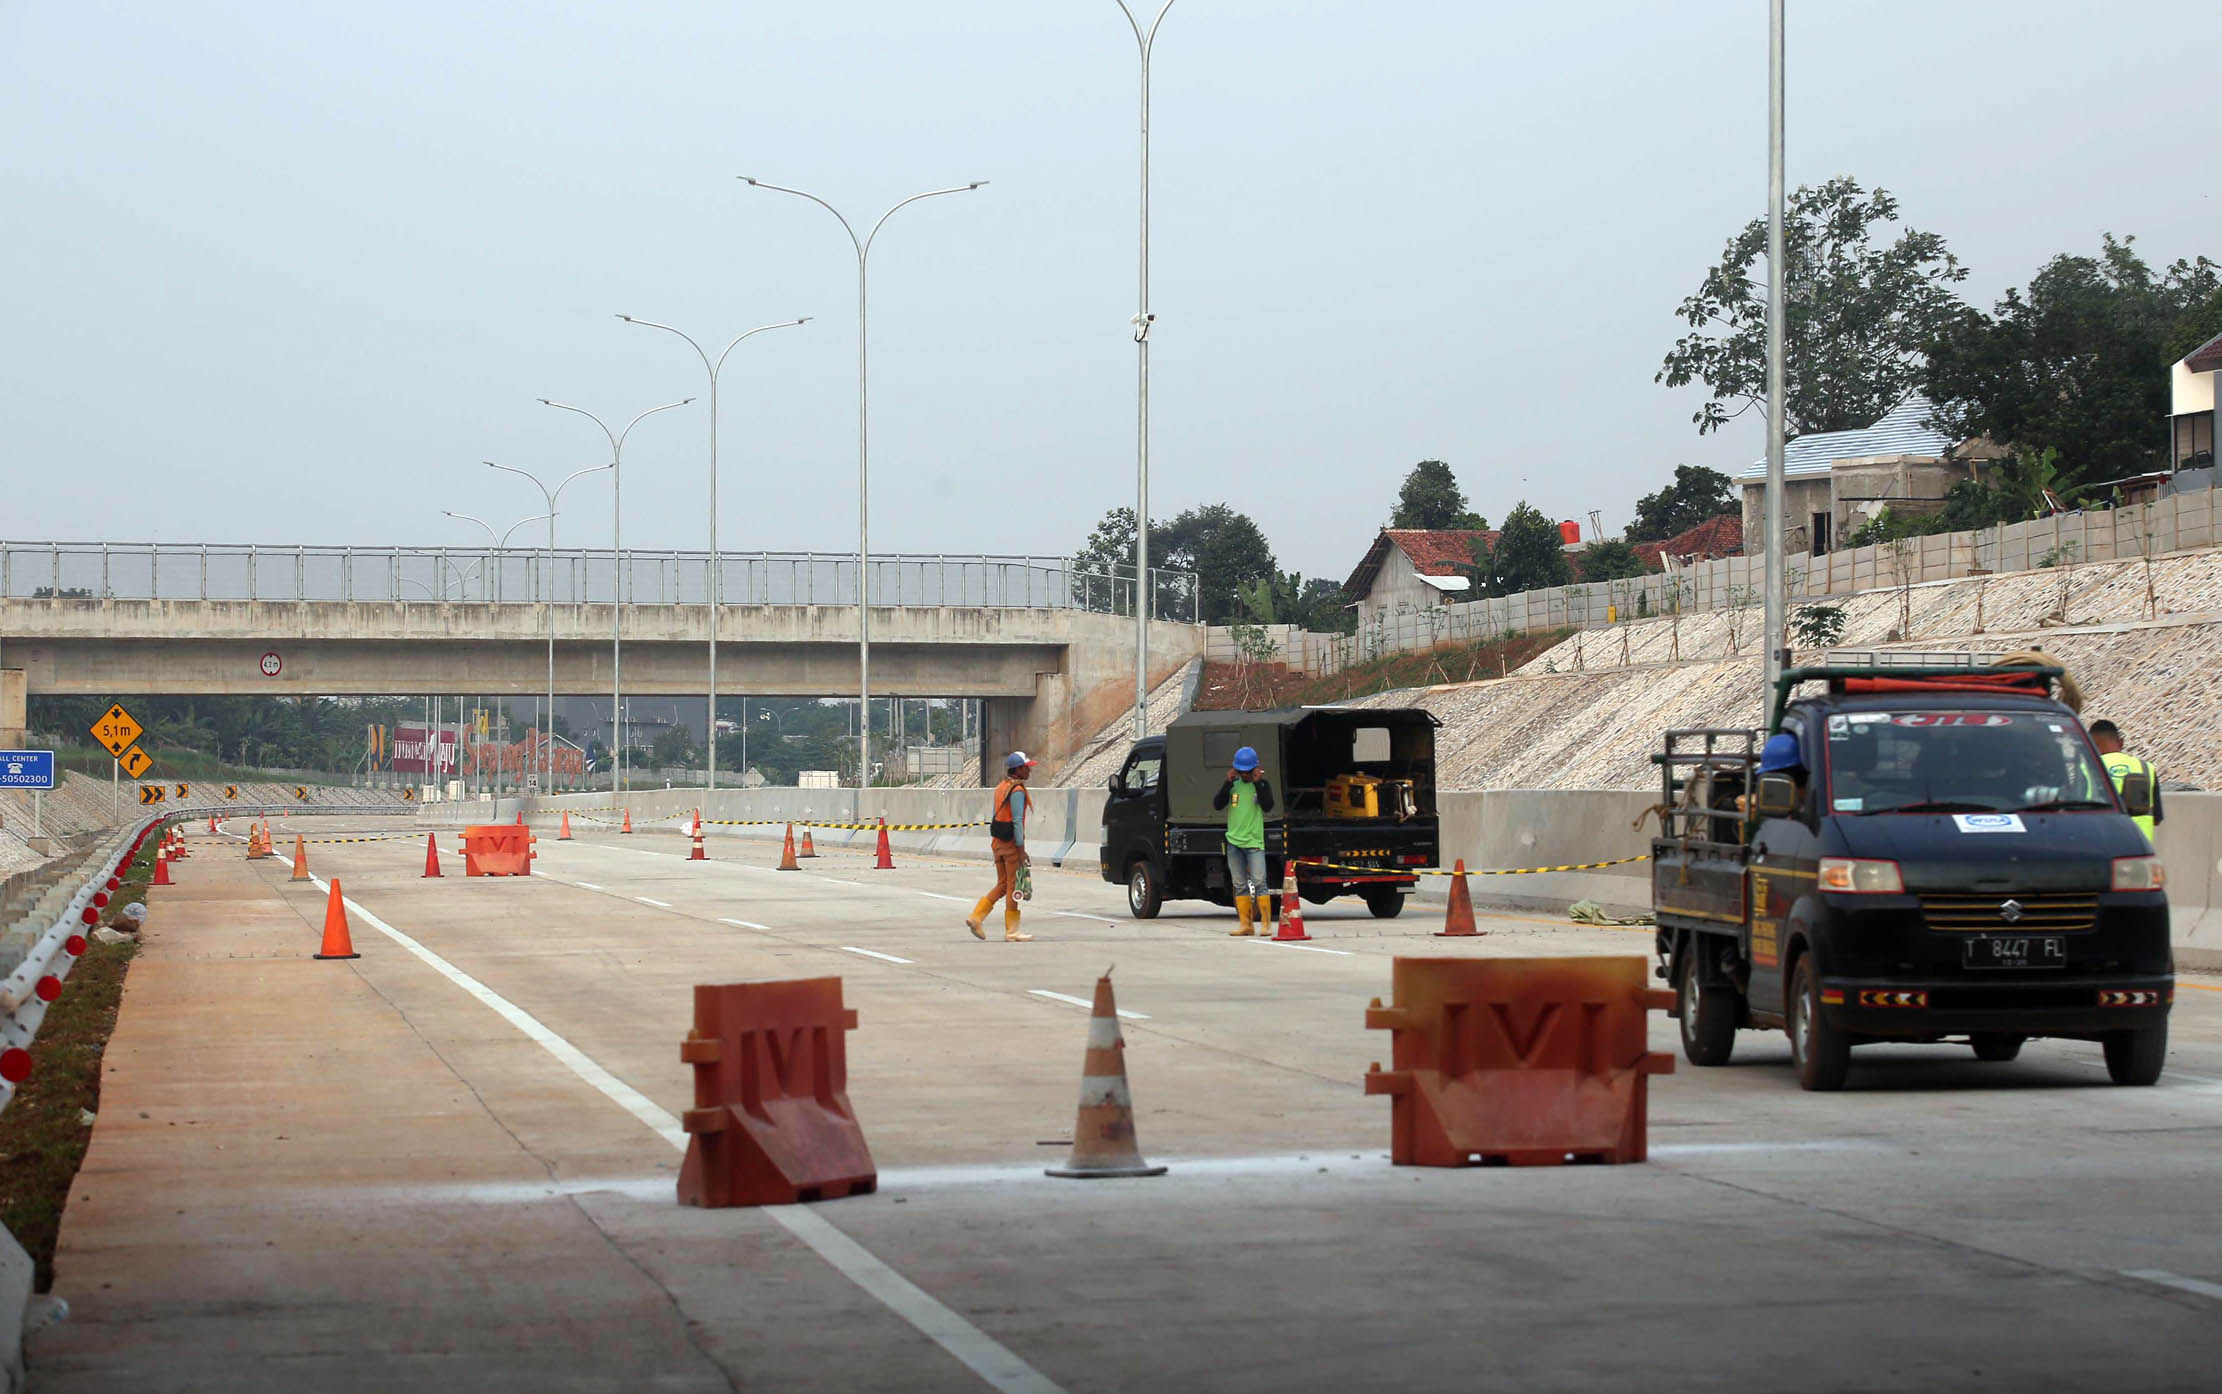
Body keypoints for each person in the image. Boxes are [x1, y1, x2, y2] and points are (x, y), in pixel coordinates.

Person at [967, 752, 1035, 942]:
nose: (1029, 770)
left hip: (997, 844)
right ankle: (1012, 931)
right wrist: (1021, 851)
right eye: (1026, 767)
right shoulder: (1017, 791)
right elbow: (1017, 823)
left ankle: (976, 917)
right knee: (1013, 887)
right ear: (1018, 769)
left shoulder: (1001, 787)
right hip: (1010, 845)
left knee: (1003, 884)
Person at [1213, 745, 1276, 936]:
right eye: (1242, 771)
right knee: (1239, 884)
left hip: (1254, 843)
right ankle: (1246, 924)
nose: (1245, 775)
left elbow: (1268, 806)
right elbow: (1217, 805)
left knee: (1259, 882)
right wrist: (1227, 783)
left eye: (1248, 771)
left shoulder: (1262, 785)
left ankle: (1265, 924)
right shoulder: (1233, 786)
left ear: (1255, 769)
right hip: (1234, 843)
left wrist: (1258, 783)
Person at [2090, 719, 2163, 845]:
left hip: (2104, 850)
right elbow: (2157, 820)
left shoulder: (2088, 767)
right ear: (2121, 742)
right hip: (2140, 850)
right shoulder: (2146, 768)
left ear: (2090, 746)